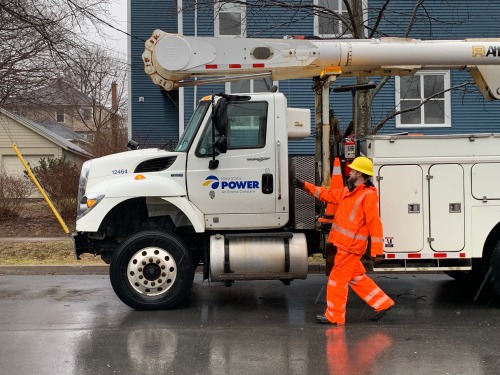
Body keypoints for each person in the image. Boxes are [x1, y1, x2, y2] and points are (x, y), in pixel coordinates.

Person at [296, 156, 394, 325]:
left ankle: (334, 316)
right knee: (356, 277)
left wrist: (377, 250)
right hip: (345, 245)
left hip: (351, 247)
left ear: (360, 175)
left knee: (337, 279)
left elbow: (374, 223)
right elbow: (326, 194)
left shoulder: (367, 196)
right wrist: (305, 186)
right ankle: (383, 303)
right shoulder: (348, 192)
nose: (350, 172)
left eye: (353, 170)